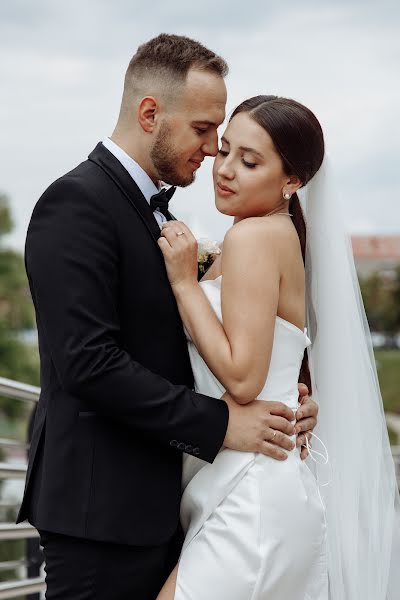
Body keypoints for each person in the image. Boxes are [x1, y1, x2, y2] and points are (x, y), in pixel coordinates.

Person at [16, 36, 318, 599]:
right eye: (205, 131)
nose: (212, 153)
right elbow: (88, 362)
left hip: (173, 507)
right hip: (100, 514)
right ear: (150, 113)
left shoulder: (162, 215)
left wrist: (293, 391)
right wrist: (223, 424)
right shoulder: (76, 202)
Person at [156, 95, 400, 599]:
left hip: (254, 497)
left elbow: (244, 379)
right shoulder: (270, 234)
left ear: (292, 182)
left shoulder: (253, 238)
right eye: (224, 151)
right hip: (259, 481)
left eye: (249, 161)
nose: (224, 170)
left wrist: (184, 284)